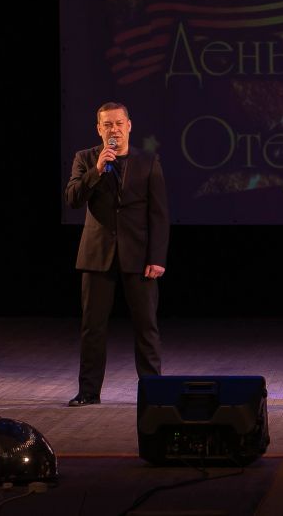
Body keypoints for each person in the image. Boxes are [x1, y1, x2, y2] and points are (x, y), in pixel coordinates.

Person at [65, 102, 169, 406]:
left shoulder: (148, 161)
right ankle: (88, 392)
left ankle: (153, 392)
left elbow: (159, 214)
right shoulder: (85, 159)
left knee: (146, 326)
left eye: (119, 123)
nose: (114, 129)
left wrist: (157, 257)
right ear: (99, 129)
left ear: (129, 125)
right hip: (97, 255)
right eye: (108, 124)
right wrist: (96, 171)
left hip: (138, 255)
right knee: (92, 327)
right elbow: (72, 199)